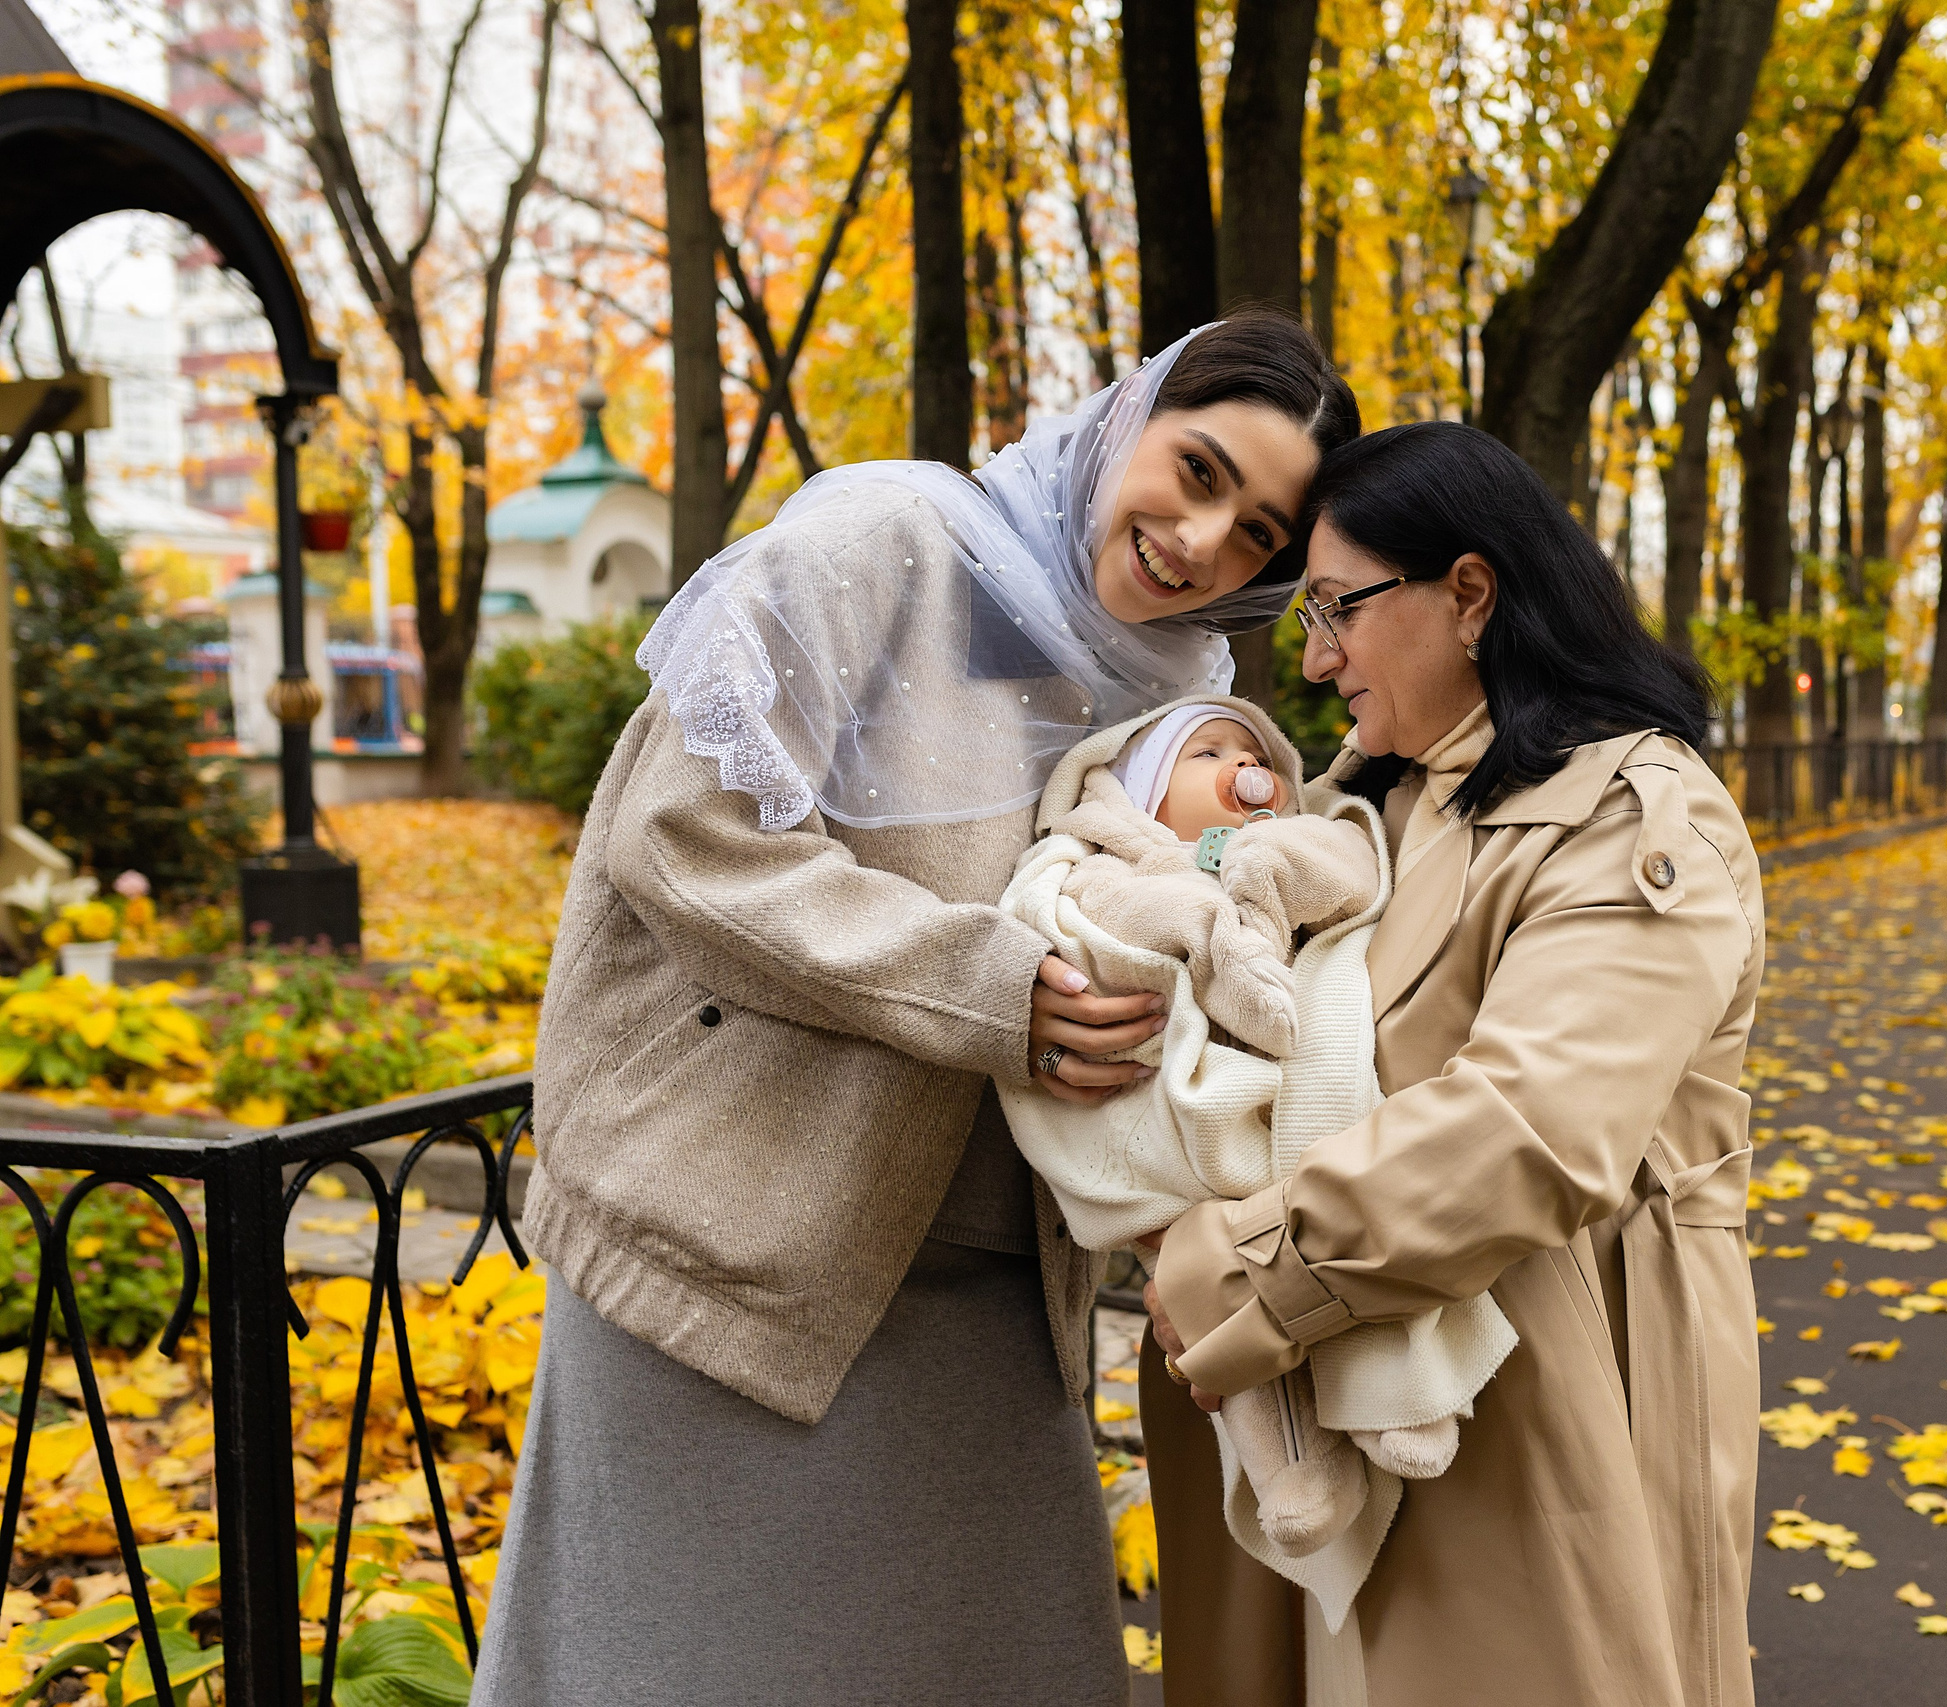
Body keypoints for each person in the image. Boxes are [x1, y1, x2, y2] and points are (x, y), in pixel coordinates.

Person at [469, 315, 1358, 1707]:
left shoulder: (1177, 685)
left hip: (993, 1294)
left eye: (1255, 535)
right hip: (741, 1249)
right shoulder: (882, 543)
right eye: (1196, 471)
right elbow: (681, 840)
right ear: (1126, 417)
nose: (1200, 542)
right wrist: (990, 989)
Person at [1137, 421, 1766, 1707]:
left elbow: (1532, 1130)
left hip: (1543, 1401)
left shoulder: (1630, 816)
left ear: (1468, 594)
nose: (1317, 658)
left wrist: (1238, 1269)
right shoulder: (1372, 808)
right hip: (1338, 1389)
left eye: (1338, 609)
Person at [995, 694, 1513, 1587]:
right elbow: (1106, 935)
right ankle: (1293, 1471)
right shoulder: (1111, 869)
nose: (1245, 767)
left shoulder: (1297, 837)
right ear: (1139, 795)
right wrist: (1215, 932)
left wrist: (1266, 873)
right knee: (1212, 1300)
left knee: (1336, 1227)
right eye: (1207, 754)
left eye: (1255, 751)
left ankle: (1399, 1391)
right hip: (1177, 1125)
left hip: (1294, 1095)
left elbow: (1351, 871)